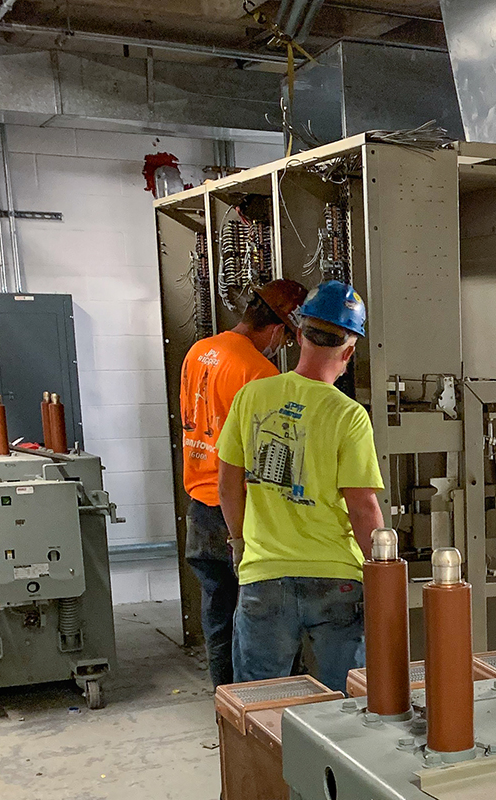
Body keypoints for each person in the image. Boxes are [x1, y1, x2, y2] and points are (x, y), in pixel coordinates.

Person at [217, 280, 385, 692]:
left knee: (258, 706)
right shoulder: (348, 416)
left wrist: (241, 544)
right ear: (349, 351)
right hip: (336, 579)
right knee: (344, 703)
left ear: (297, 335)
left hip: (263, 575)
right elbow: (363, 508)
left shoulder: (251, 397)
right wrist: (383, 570)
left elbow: (227, 485)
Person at [178, 279, 308, 688]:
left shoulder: (200, 351)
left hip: (199, 506)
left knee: (218, 616)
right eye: (287, 338)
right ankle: (258, 706)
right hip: (240, 514)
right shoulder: (258, 371)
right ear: (276, 329)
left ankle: (226, 704)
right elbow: (267, 459)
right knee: (260, 621)